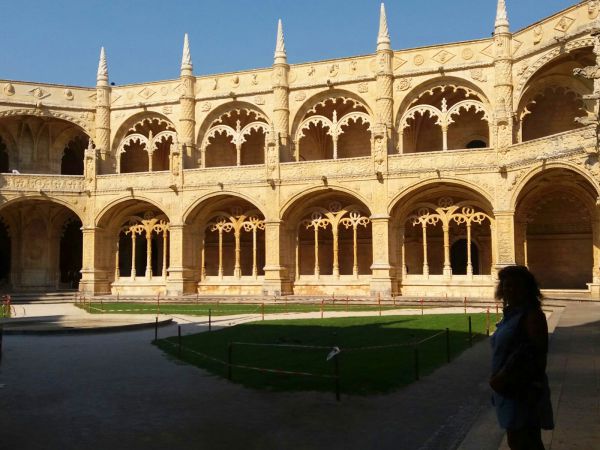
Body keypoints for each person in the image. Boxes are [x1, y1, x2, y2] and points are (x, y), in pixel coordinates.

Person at [489, 265, 554, 450]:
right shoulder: (511, 315)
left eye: (516, 286)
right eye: (506, 286)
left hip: (520, 388)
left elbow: (536, 353)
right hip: (508, 388)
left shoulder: (532, 316)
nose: (510, 290)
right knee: (518, 440)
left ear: (527, 288)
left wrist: (504, 376)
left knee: (525, 441)